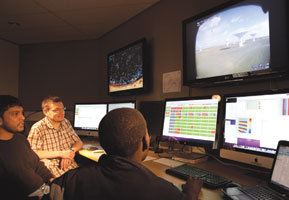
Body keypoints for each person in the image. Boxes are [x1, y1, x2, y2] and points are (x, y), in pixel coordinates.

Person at [50, 108, 203, 200]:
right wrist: (191, 193)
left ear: (102, 143)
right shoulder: (164, 191)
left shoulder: (70, 180)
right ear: (145, 142)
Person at [0, 95, 54, 199]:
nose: (23, 117)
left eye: (22, 113)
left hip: (44, 189)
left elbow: (37, 165)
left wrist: (53, 180)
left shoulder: (20, 139)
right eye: (16, 114)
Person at [28, 96, 83, 178]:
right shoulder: (38, 128)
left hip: (71, 166)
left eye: (62, 109)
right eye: (56, 110)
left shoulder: (65, 122)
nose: (62, 112)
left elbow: (79, 142)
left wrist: (70, 152)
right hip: (53, 170)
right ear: (45, 112)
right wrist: (61, 154)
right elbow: (32, 153)